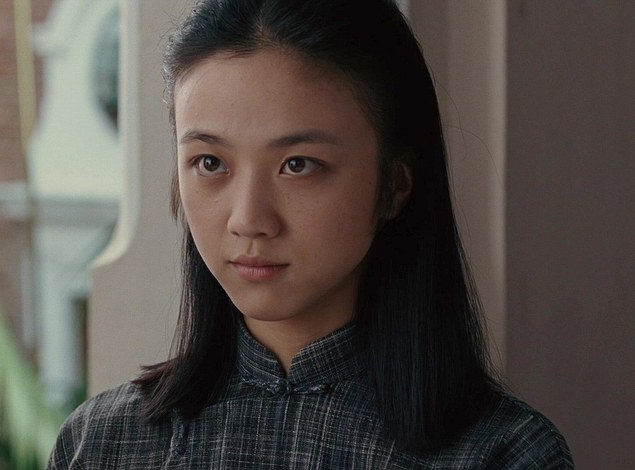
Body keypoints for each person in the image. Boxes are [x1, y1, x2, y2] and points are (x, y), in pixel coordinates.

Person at [47, 0, 573, 468]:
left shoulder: (501, 454)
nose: (248, 219)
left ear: (395, 184)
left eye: (298, 164)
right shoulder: (104, 444)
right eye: (210, 162)